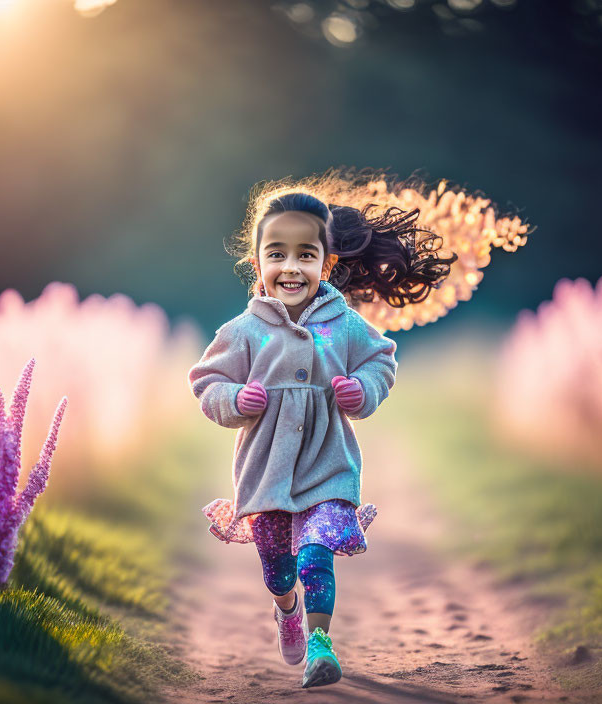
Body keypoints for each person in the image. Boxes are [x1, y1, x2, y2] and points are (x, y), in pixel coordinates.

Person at [188, 172, 527, 689]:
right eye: (276, 253)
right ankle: (287, 613)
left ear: (328, 263)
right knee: (279, 569)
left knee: (316, 553)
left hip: (329, 464)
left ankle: (321, 646)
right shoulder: (242, 331)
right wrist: (235, 399)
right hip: (265, 472)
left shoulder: (344, 324)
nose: (290, 267)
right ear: (256, 261)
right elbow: (206, 381)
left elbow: (381, 360)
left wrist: (361, 391)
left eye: (306, 255)